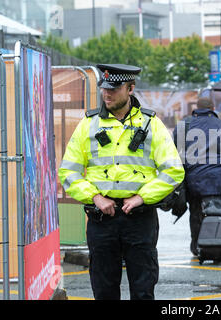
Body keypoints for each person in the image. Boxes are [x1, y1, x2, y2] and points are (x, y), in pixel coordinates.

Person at [58, 64, 184, 300]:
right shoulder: (88, 124)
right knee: (104, 289)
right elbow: (68, 172)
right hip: (101, 218)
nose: (107, 93)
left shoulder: (151, 124)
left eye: (114, 89)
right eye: (104, 88)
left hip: (140, 218)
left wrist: (141, 197)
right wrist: (95, 197)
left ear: (130, 88)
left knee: (143, 288)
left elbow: (174, 170)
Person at [173, 97, 221, 256]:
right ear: (212, 108)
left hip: (191, 179)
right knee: (214, 214)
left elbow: (174, 153)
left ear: (196, 108)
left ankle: (196, 247)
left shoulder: (184, 126)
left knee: (195, 213)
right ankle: (213, 247)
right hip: (215, 180)